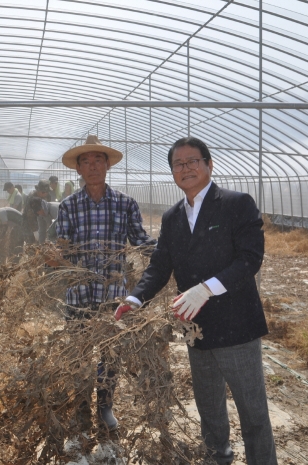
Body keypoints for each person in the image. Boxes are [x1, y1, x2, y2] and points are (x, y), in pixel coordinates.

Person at [115, 137, 276, 465]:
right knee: (209, 408)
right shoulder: (173, 217)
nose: (185, 168)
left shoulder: (235, 203)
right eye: (178, 164)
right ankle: (218, 457)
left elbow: (250, 258)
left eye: (192, 161)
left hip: (236, 328)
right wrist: (135, 298)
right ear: (172, 172)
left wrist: (206, 288)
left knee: (252, 412)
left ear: (209, 164)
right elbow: (160, 265)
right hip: (195, 328)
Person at [53, 134, 156, 431]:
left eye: (98, 159)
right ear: (78, 169)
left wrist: (170, 249)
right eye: (86, 161)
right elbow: (64, 247)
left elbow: (139, 240)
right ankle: (83, 408)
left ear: (108, 165)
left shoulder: (125, 204)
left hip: (113, 294)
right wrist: (54, 257)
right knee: (79, 353)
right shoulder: (69, 206)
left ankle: (105, 407)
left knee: (111, 353)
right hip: (78, 294)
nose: (93, 165)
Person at [22, 180, 51, 244]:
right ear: (41, 192)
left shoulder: (47, 196)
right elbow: (30, 216)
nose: (47, 194)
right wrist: (35, 231)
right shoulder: (32, 198)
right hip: (29, 223)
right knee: (31, 243)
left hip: (41, 220)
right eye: (46, 192)